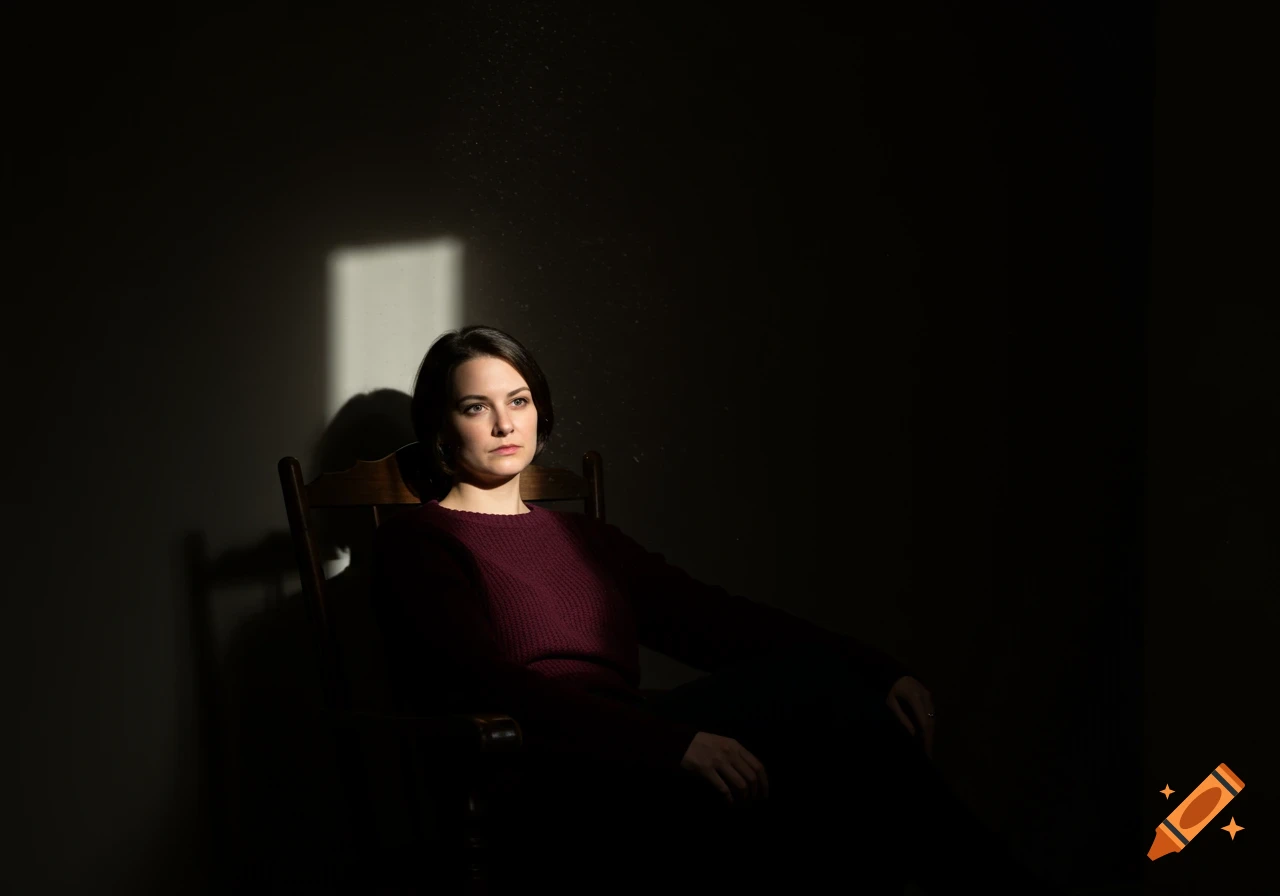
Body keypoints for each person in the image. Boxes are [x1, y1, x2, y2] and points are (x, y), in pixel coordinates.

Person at [371, 325, 1067, 894]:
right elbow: (496, 688)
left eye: (518, 400)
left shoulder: (582, 537)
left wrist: (877, 671)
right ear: (440, 426)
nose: (503, 423)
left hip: (634, 742)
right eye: (475, 406)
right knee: (821, 742)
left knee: (828, 715)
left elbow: (716, 621)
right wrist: (672, 744)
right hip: (548, 767)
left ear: (541, 411)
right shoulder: (420, 542)